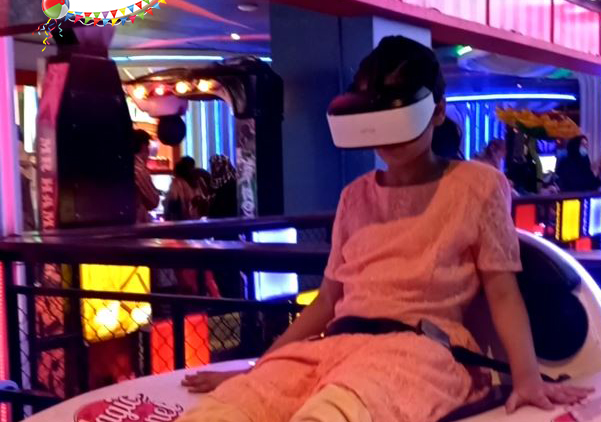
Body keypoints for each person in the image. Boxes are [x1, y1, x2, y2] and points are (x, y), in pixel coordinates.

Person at [180, 36, 590, 422]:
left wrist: (527, 378)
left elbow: (502, 291)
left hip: (420, 352)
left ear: (438, 111)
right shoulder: (355, 196)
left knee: (336, 411)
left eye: (399, 112)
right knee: (228, 408)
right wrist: (260, 369)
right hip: (338, 344)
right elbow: (327, 302)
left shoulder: (478, 186)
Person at [133, 129, 160, 224]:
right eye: (148, 146)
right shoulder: (139, 169)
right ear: (143, 146)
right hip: (137, 224)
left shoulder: (123, 165)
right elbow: (153, 201)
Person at [164, 156, 197, 221]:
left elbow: (172, 200)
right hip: (194, 221)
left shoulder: (177, 183)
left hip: (179, 221)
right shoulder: (196, 183)